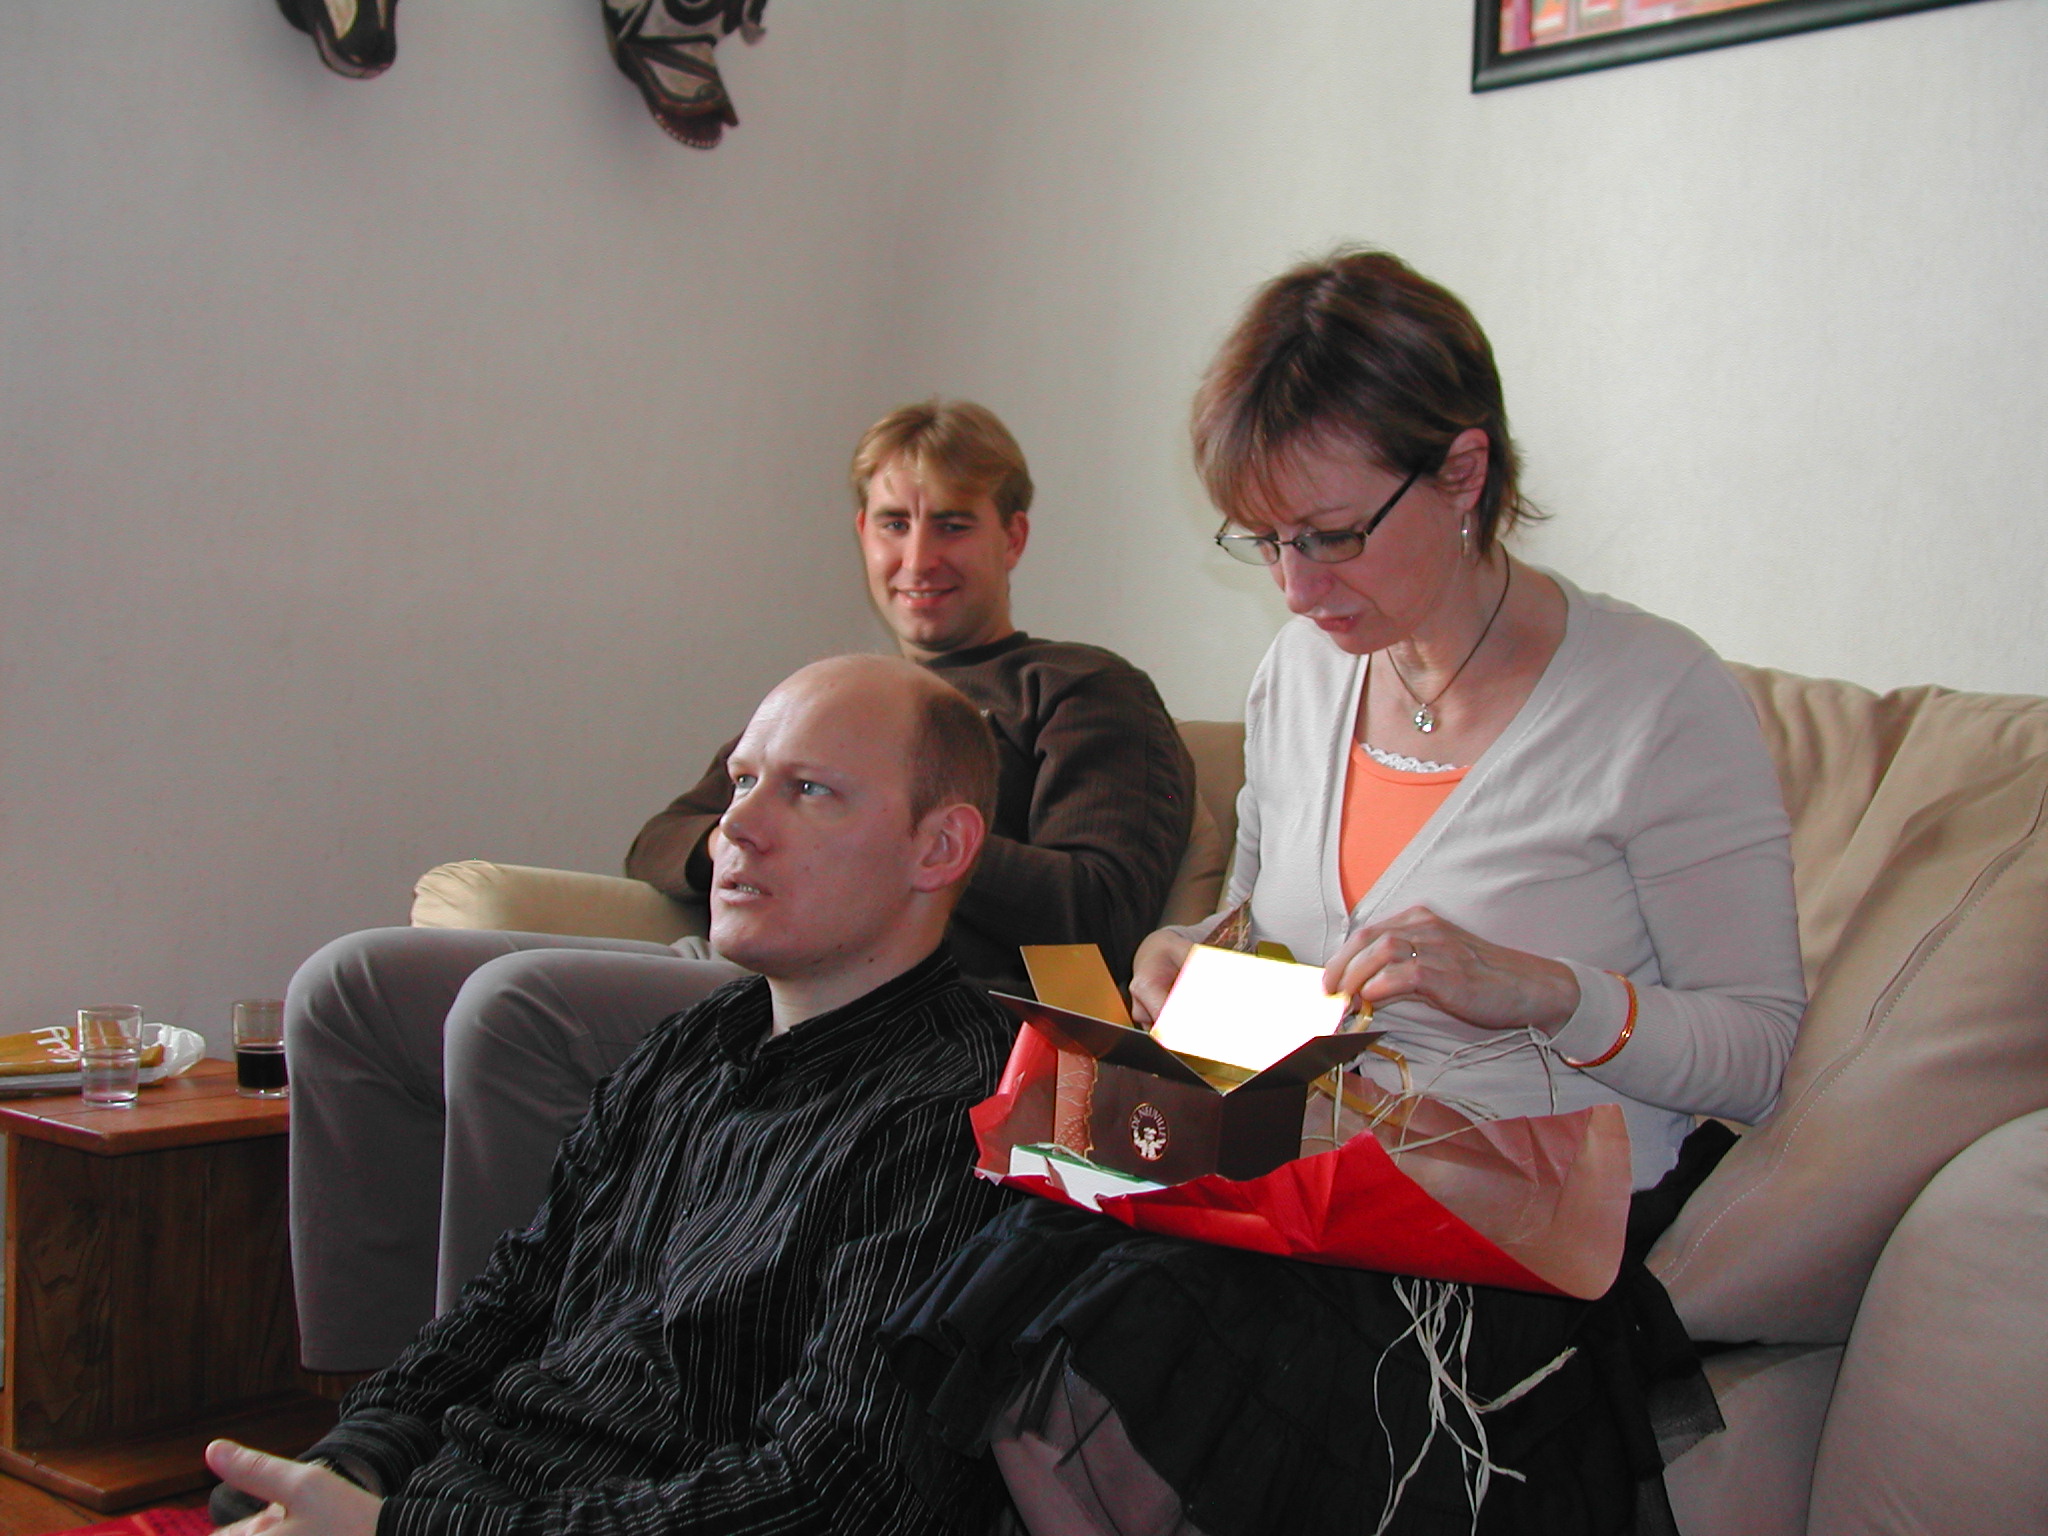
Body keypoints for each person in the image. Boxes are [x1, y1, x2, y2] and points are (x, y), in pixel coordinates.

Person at [884, 251, 1808, 1534]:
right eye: (1266, 540)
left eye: (1329, 537)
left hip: (1495, 1218)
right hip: (1296, 1158)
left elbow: (1758, 1053)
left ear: (1462, 473)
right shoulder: (1301, 673)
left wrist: (1543, 991)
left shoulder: (1657, 703)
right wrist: (1186, 954)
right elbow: (1265, 925)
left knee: (1114, 1344)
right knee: (995, 1295)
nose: (1295, 586)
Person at [288, 399, 1194, 1373]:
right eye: (894, 523)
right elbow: (660, 838)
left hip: (881, 1002)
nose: (917, 555)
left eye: (953, 524)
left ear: (1012, 536)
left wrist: (888, 829)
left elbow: (1100, 908)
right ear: (861, 532)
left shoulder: (1080, 689)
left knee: (513, 1008)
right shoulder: (839, 697)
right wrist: (774, 833)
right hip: (732, 963)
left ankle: (483, 1400)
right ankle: (359, 1399)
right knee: (351, 986)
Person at [211, 655, 1018, 1536]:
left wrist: (398, 1531)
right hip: (479, 1485)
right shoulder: (691, 1045)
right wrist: (352, 1457)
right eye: (744, 781)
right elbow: (518, 1292)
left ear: (938, 849)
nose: (736, 826)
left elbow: (835, 1492)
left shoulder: (958, 1110)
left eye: (810, 790)